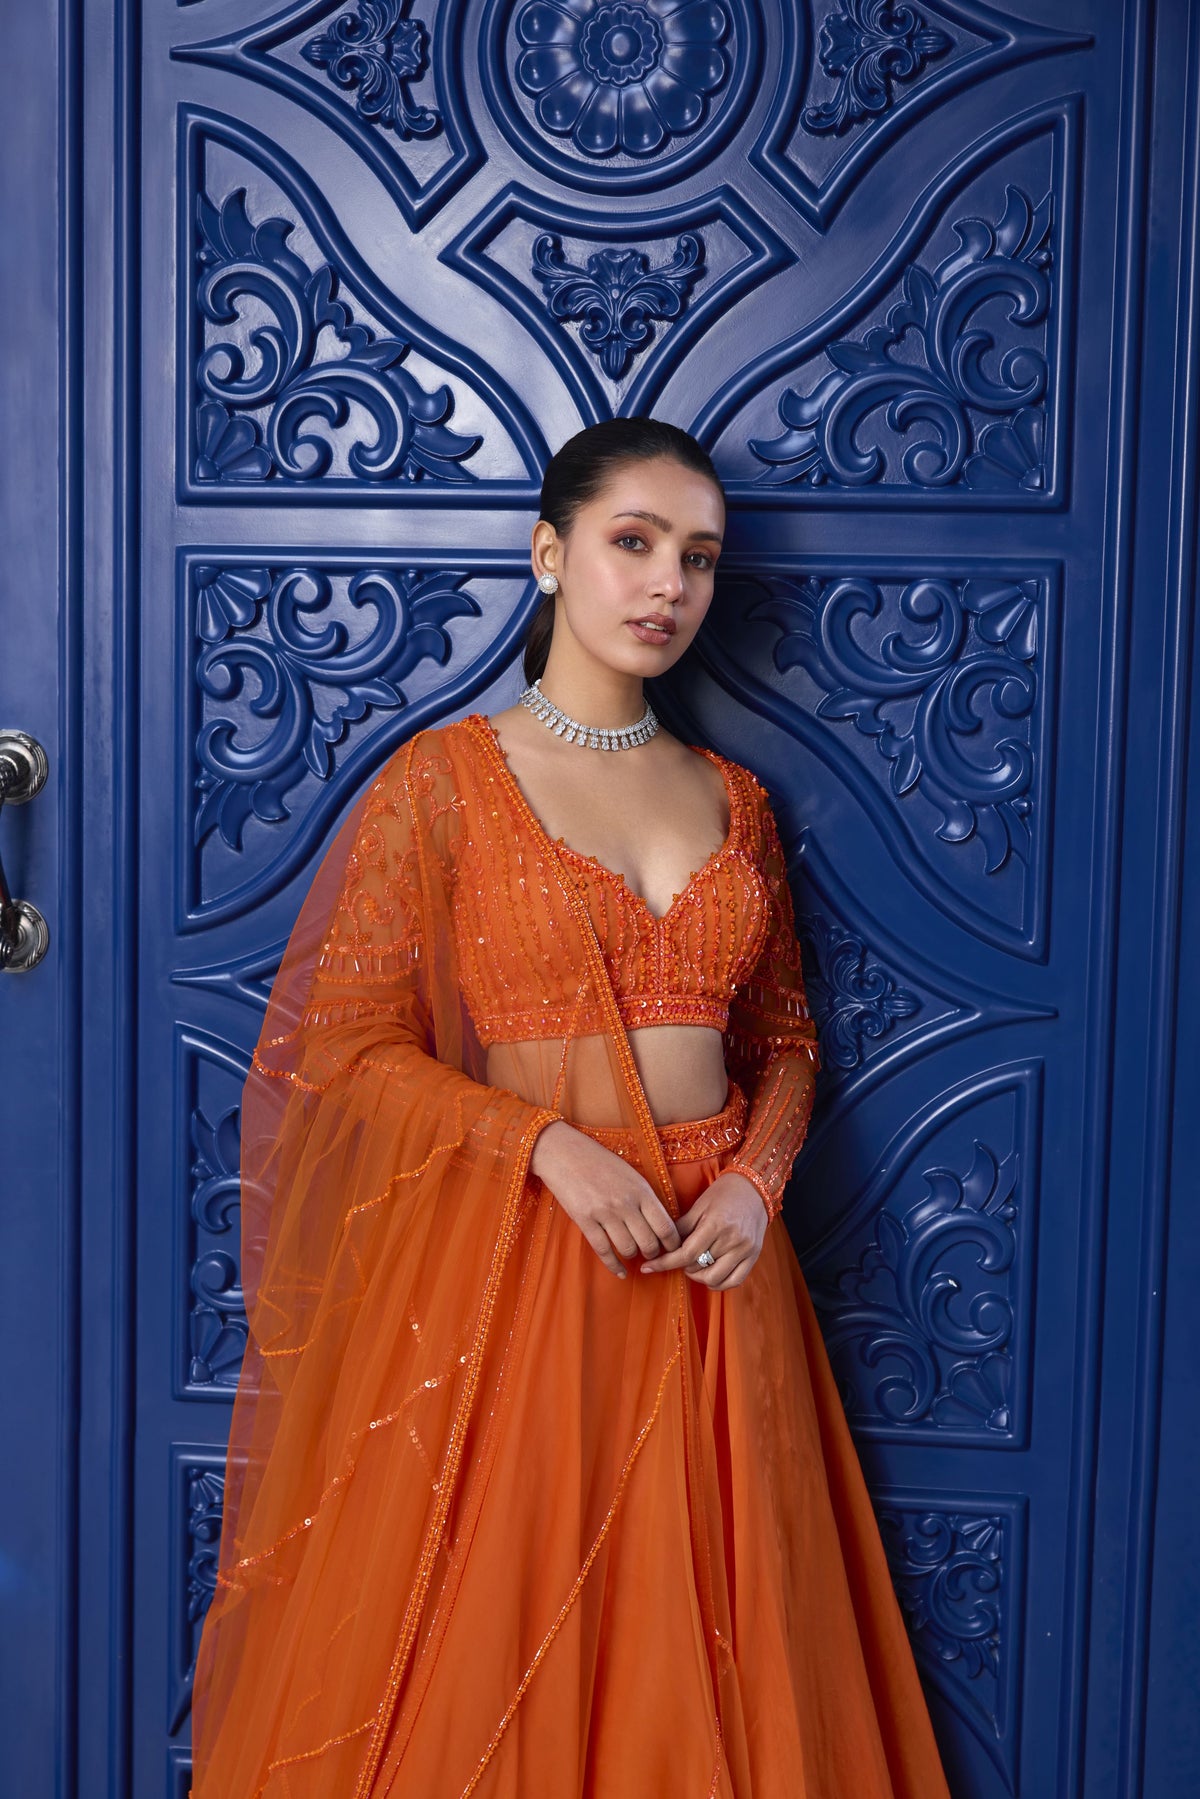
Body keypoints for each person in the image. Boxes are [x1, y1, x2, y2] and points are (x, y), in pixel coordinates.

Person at [188, 418, 953, 1797]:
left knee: (718, 1654)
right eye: (635, 543)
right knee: (511, 1660)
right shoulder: (445, 788)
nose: (670, 584)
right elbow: (348, 1051)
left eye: (700, 558)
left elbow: (784, 1040)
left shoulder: (737, 798)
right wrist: (538, 1145)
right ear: (551, 555)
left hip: (721, 1278)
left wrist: (757, 1182)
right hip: (532, 1270)